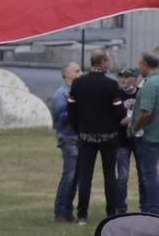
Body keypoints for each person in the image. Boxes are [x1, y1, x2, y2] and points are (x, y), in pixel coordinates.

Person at [70, 49, 127, 222]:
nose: (108, 64)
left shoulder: (78, 83)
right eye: (107, 61)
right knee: (110, 175)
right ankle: (111, 212)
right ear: (102, 62)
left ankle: (82, 214)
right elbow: (119, 111)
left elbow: (71, 110)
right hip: (108, 136)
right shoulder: (110, 85)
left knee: (85, 175)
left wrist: (78, 129)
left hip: (86, 136)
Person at [130, 51, 159, 215]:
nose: (138, 67)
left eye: (140, 64)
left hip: (149, 135)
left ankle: (152, 209)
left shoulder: (150, 84)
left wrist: (135, 128)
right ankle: (150, 207)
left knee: (149, 174)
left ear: (146, 65)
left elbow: (146, 112)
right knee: (150, 172)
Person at [50, 62, 82, 223]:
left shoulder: (78, 91)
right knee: (68, 176)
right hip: (68, 139)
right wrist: (75, 105)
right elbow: (61, 118)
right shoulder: (61, 94)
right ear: (67, 74)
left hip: (79, 138)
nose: (80, 73)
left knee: (76, 177)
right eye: (77, 71)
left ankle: (68, 210)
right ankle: (60, 211)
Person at [112, 67, 142, 200]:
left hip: (140, 140)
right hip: (122, 140)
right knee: (123, 176)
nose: (122, 80)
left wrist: (133, 120)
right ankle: (121, 207)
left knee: (143, 174)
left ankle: (145, 206)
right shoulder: (117, 94)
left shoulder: (142, 94)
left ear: (135, 80)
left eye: (126, 77)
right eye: (121, 77)